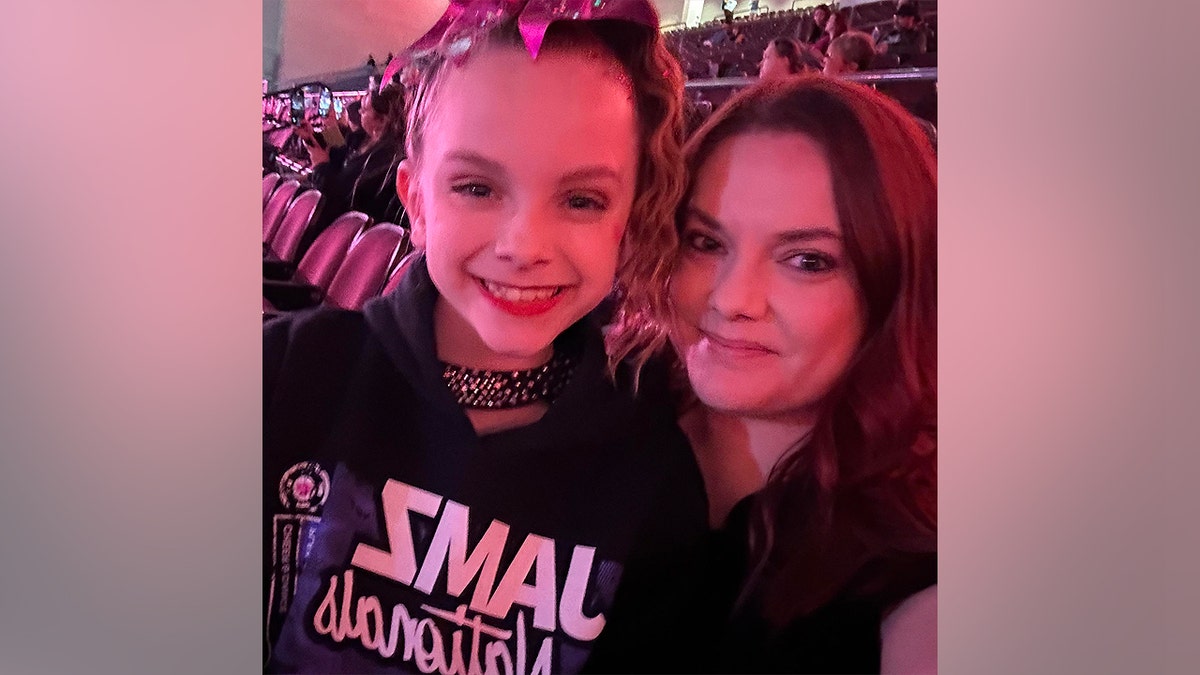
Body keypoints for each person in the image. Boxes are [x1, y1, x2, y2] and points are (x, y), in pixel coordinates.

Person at [263, 2, 708, 673]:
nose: (523, 246)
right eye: (477, 187)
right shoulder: (281, 379)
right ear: (415, 201)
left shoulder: (656, 479)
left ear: (631, 211)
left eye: (582, 199)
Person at [608, 75, 937, 673]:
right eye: (705, 242)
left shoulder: (914, 568)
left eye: (807, 260)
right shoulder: (587, 404)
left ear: (894, 285)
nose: (734, 298)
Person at [291, 85, 407, 259]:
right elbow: (338, 151)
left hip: (345, 237)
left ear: (382, 120)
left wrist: (320, 166)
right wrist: (310, 137)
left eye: (365, 109)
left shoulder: (386, 157)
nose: (359, 112)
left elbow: (341, 197)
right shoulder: (364, 139)